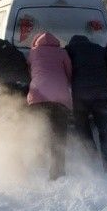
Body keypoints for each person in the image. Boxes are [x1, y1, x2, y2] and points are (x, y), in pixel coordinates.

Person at [65, 35, 107, 174]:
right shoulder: (100, 49)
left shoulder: (69, 50)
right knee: (106, 130)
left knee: (82, 127)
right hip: (101, 95)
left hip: (81, 96)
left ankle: (92, 159)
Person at [27, 32, 72, 180]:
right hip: (60, 98)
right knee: (59, 136)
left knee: (39, 132)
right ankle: (57, 172)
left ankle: (38, 167)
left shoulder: (33, 53)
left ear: (36, 42)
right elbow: (69, 73)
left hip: (37, 98)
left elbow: (29, 71)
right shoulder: (62, 52)